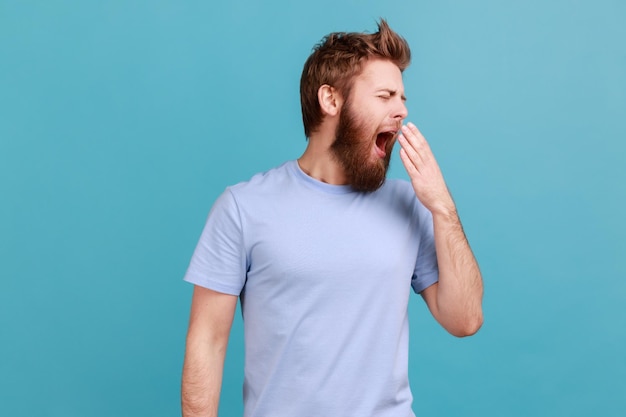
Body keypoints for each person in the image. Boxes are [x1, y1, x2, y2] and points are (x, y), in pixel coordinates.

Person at [181, 19, 483, 417]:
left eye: (403, 97)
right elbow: (207, 342)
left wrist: (442, 206)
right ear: (331, 100)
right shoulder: (243, 207)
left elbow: (465, 320)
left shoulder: (410, 204)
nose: (402, 110)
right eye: (385, 95)